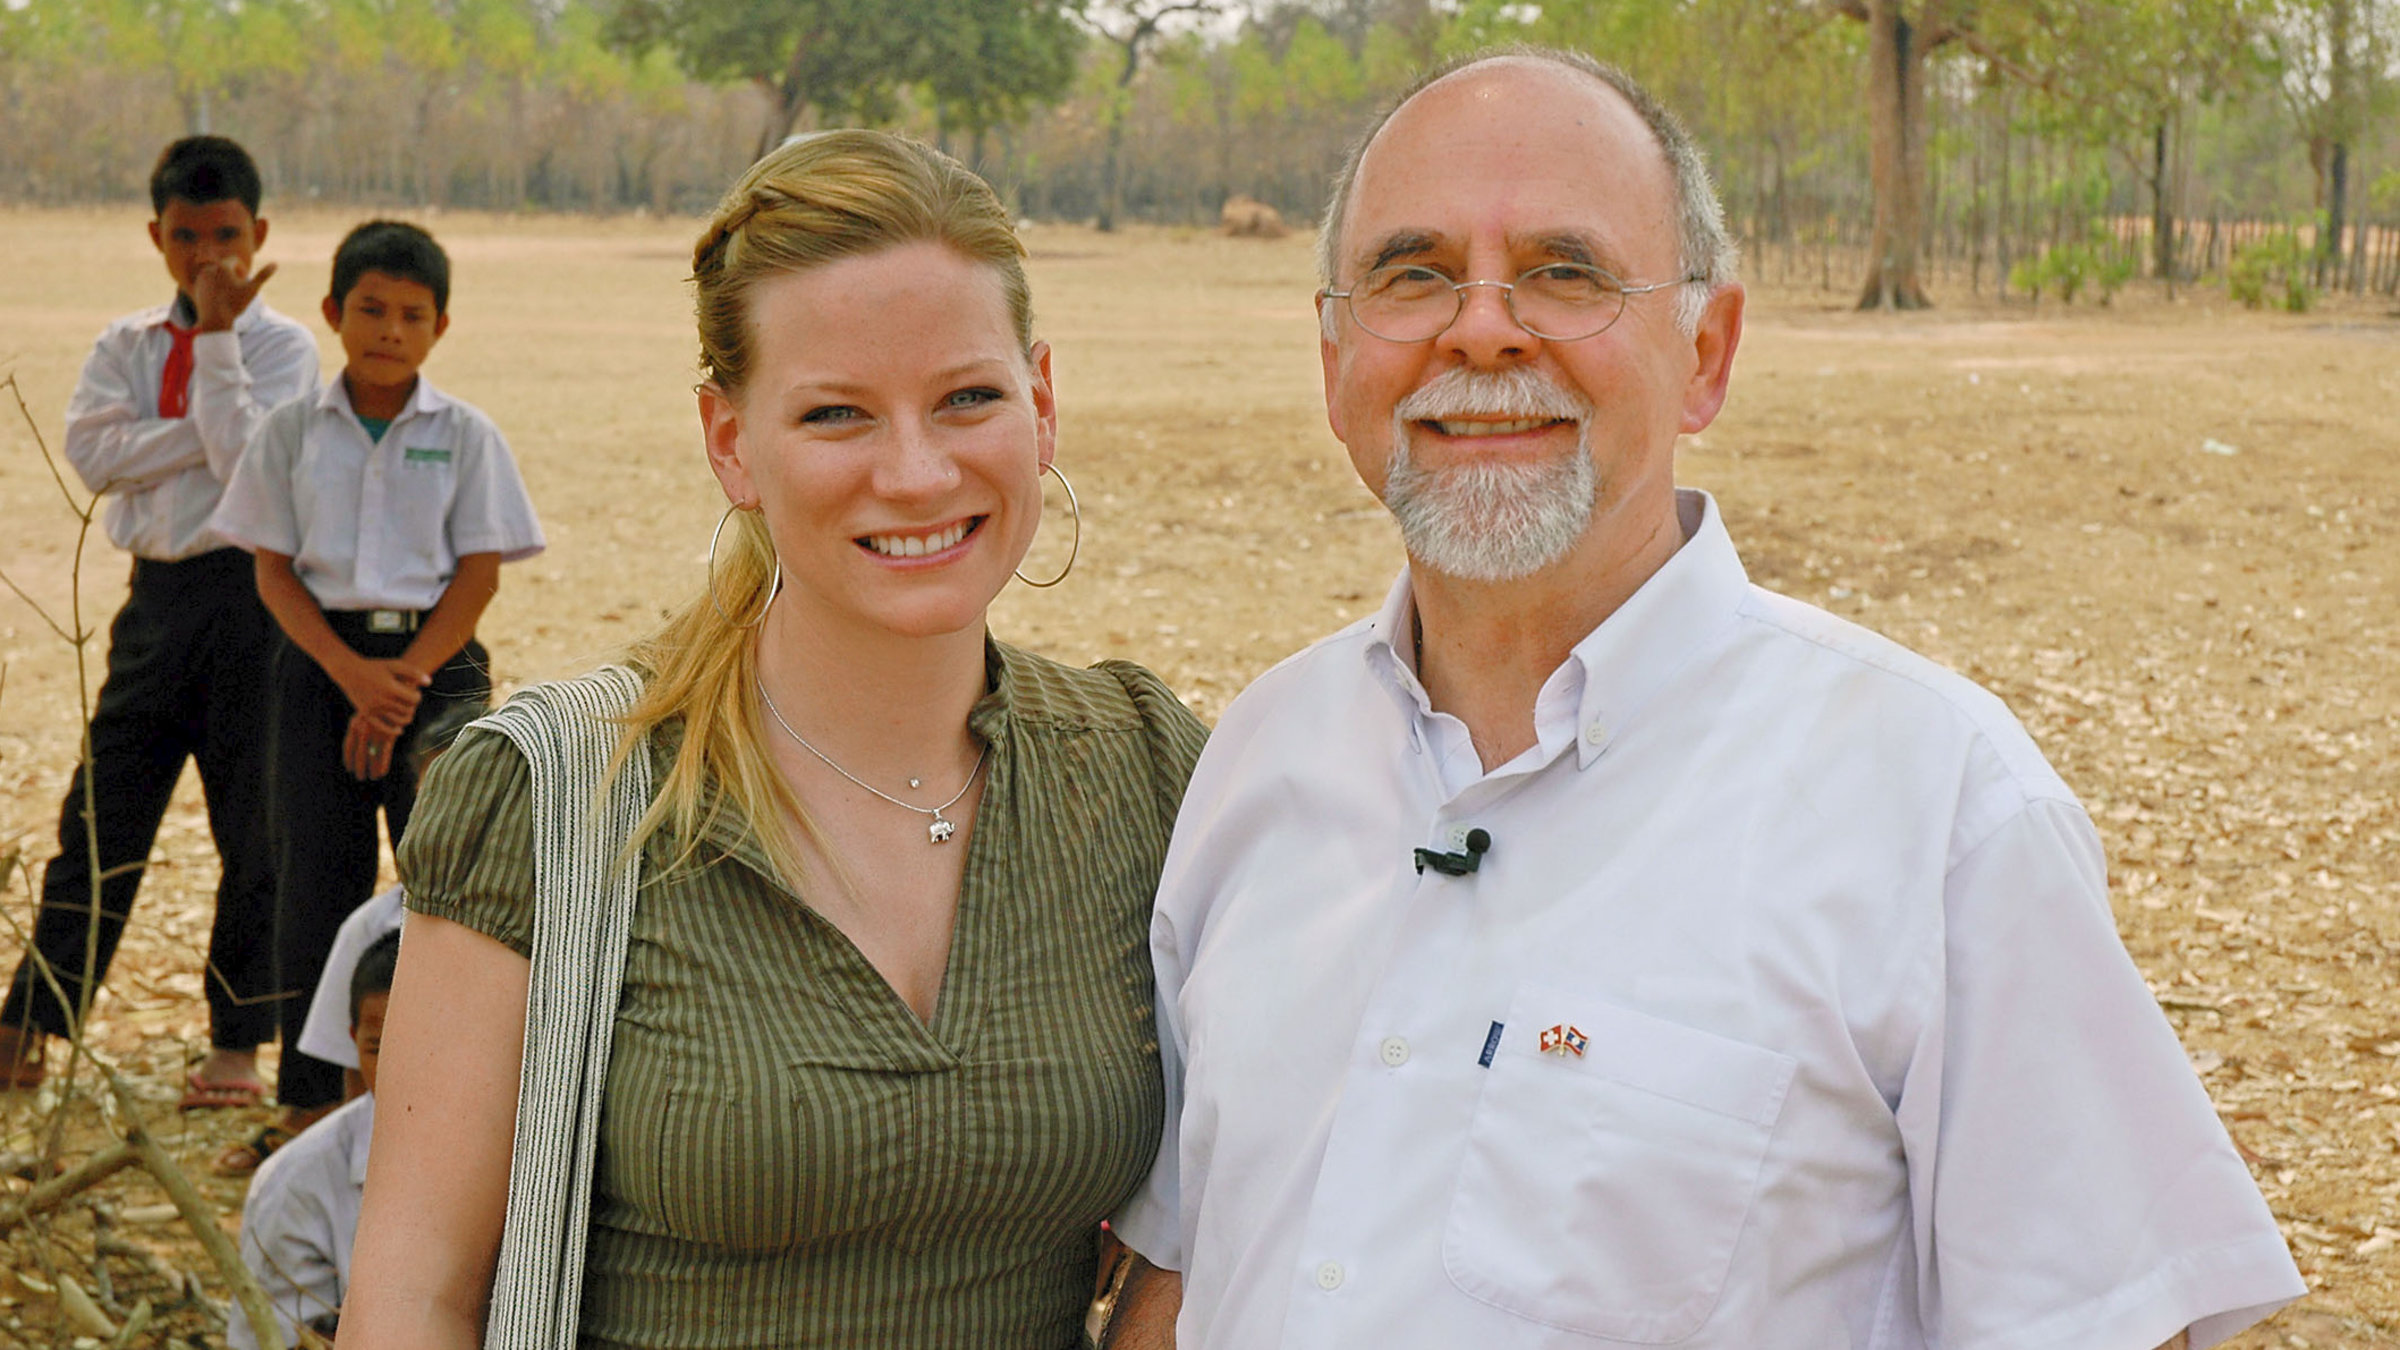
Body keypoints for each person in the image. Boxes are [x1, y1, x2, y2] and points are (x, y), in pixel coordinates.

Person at [1105, 48, 2305, 1350]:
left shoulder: (1939, 810)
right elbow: (1190, 1264)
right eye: (1413, 273)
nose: (1483, 328)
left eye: (1566, 271)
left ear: (1708, 353)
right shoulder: (1260, 759)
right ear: (1334, 350)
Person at [341, 130, 1207, 1349]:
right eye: (836, 414)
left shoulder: (1147, 770)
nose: (917, 473)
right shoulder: (557, 797)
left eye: (968, 398)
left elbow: (1252, 1196)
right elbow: (414, 1299)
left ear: (1043, 402)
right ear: (730, 441)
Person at [210, 219, 546, 1141]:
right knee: (313, 879)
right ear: (332, 312)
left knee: (447, 879)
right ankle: (311, 1105)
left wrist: (402, 684)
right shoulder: (290, 431)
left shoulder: (465, 435)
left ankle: (448, 1105)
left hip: (438, 665)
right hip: (320, 664)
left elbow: (478, 574)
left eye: (412, 314)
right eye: (370, 309)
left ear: (441, 327)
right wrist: (352, 675)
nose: (390, 331)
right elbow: (273, 571)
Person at [0, 136, 318, 1105]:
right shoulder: (126, 345)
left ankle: (237, 1044)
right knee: (102, 817)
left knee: (254, 830)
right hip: (156, 604)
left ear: (260, 232)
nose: (207, 257)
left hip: (255, 603)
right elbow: (95, 457)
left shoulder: (285, 348)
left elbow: (253, 463)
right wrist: (206, 432)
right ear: (156, 237)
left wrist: (217, 345)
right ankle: (30, 1021)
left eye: (226, 236)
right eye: (187, 237)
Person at [291, 698, 484, 1103]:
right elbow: (358, 1077)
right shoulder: (374, 928)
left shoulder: (564, 919)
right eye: (431, 799)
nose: (445, 819)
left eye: (467, 796)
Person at [229, 930, 397, 1350]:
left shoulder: (528, 1158)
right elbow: (275, 1335)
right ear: (353, 1039)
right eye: (378, 1049)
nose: (400, 1071)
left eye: (424, 1048)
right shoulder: (298, 1185)